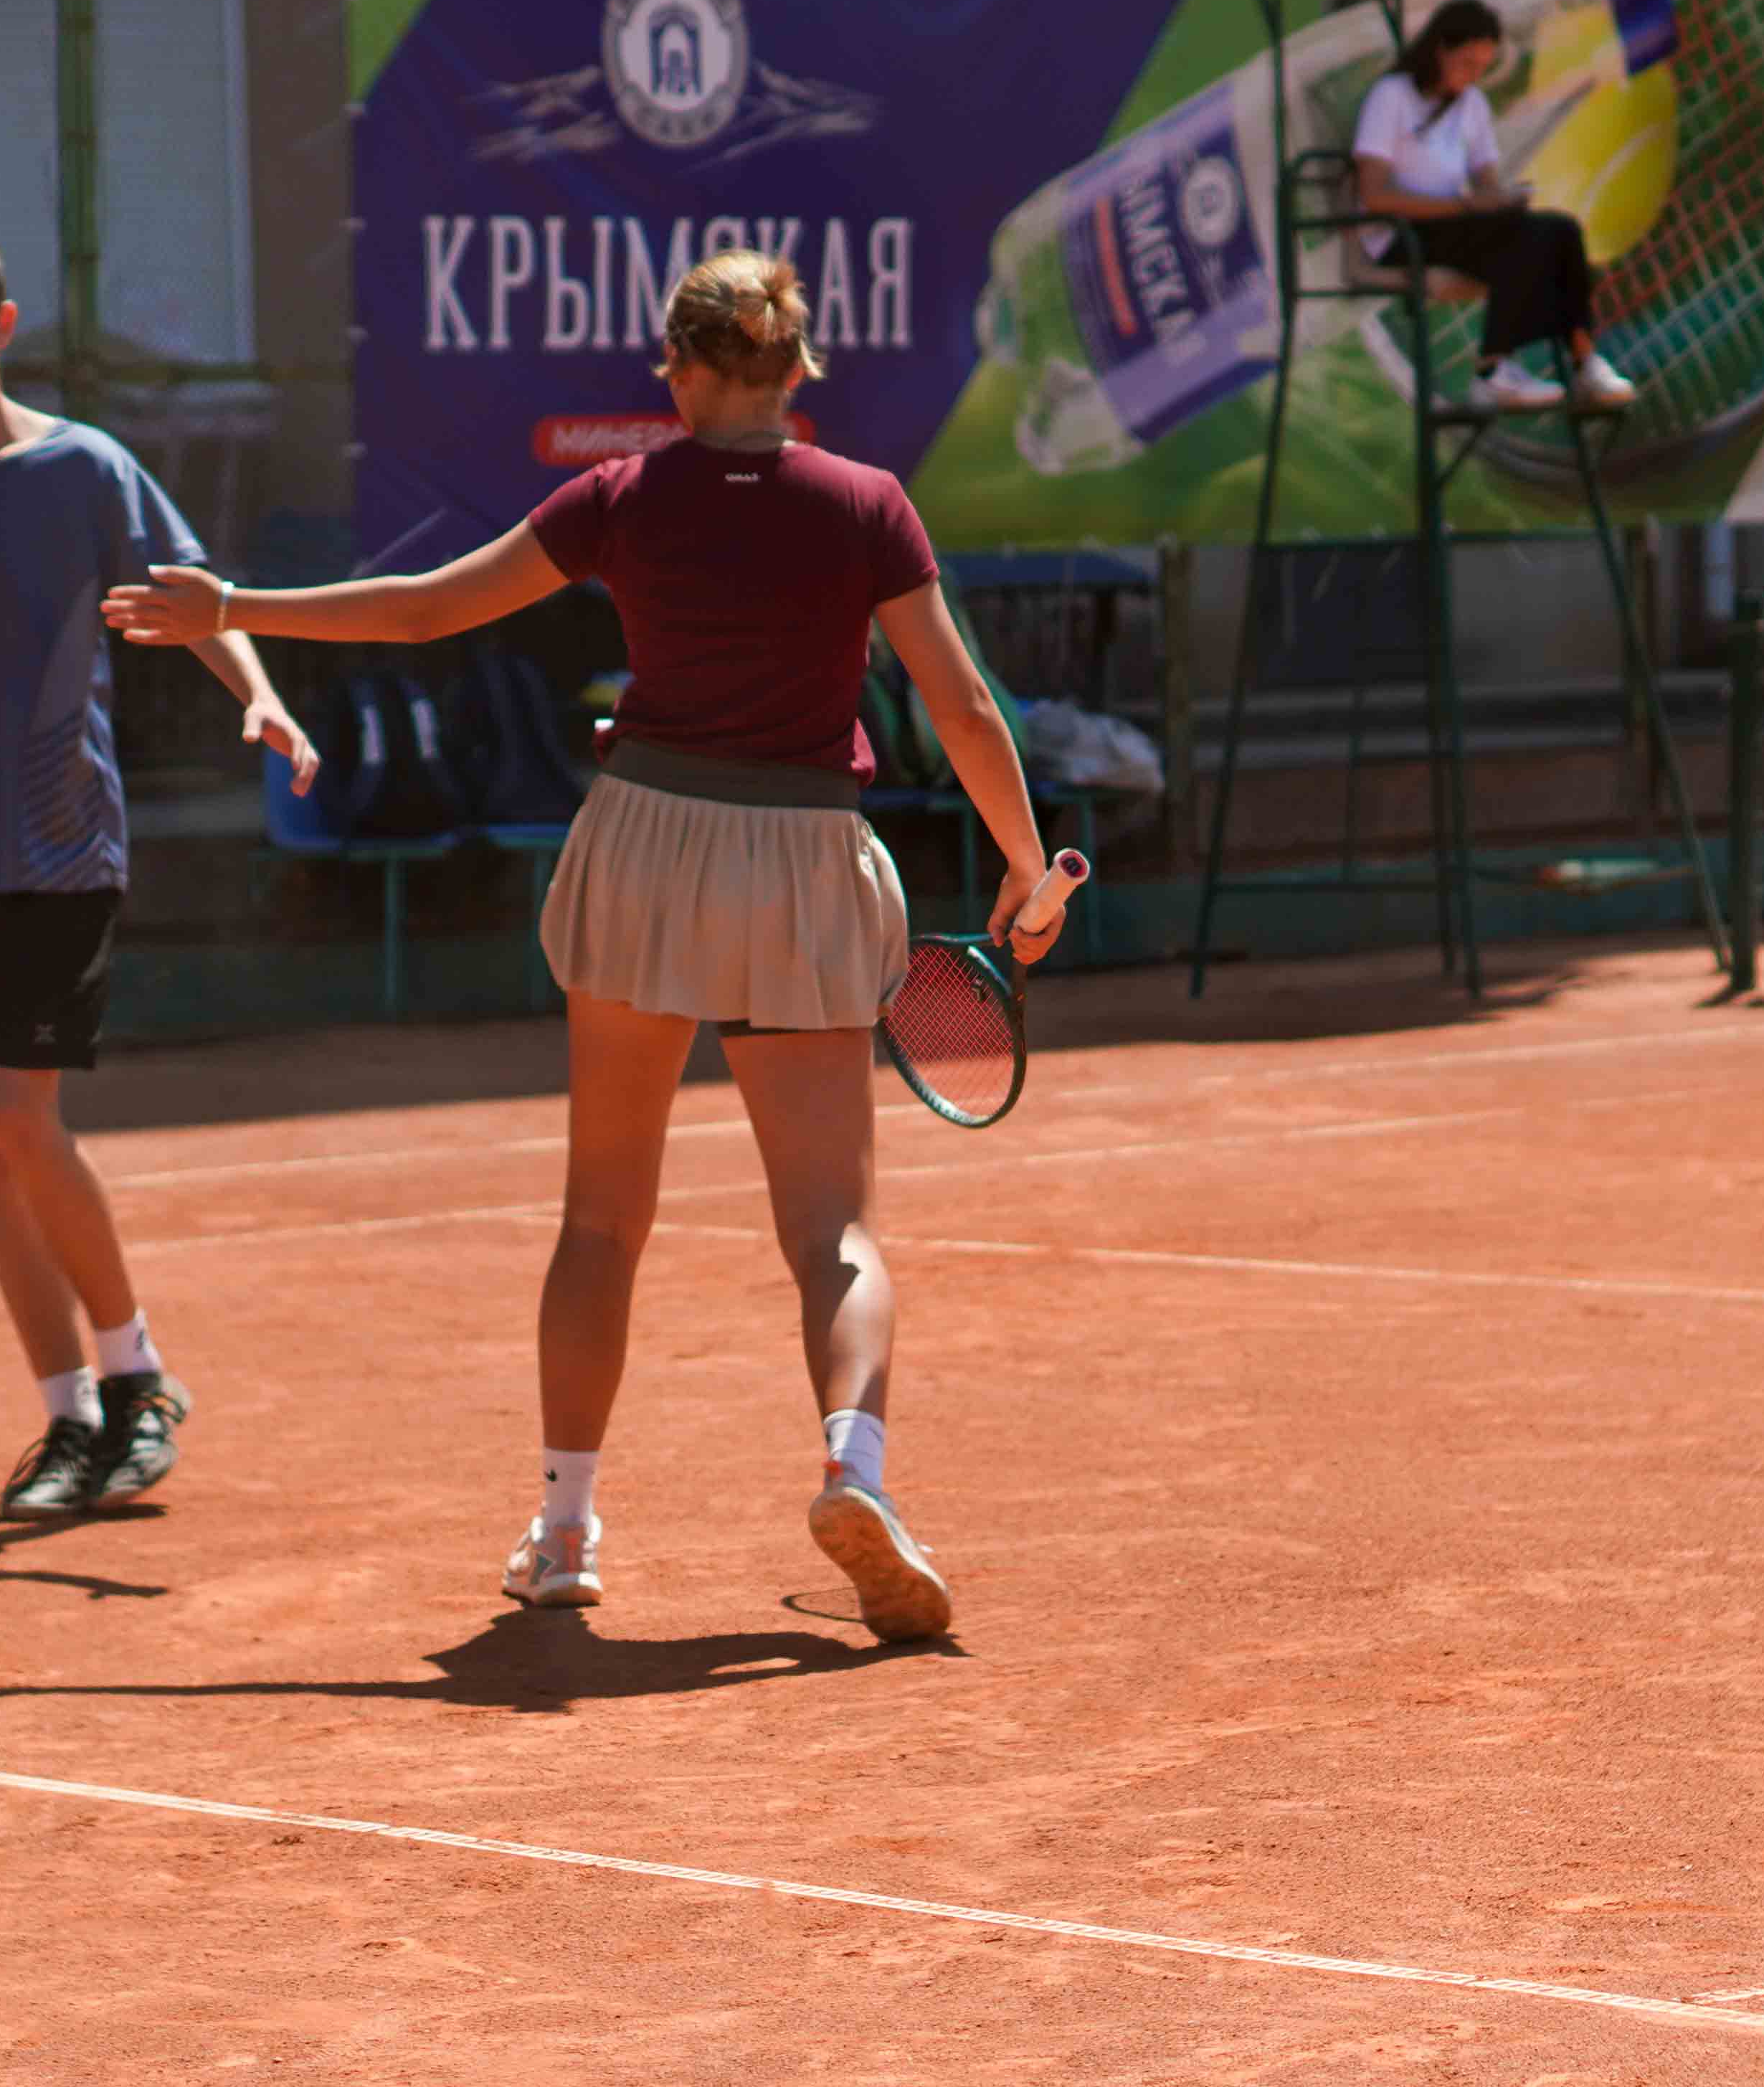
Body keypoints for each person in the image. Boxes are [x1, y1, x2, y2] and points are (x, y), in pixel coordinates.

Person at [106, 250, 1066, 1643]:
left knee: (601, 1220)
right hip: (803, 860)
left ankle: (564, 1530)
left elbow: (425, 606)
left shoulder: (622, 496)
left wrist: (232, 609)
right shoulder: (868, 504)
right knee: (834, 1231)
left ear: (676, 372)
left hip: (646, 853)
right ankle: (853, 1469)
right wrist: (1027, 868)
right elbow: (966, 711)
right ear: (795, 369)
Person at [0, 221, 319, 1519]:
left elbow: (192, 595)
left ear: (2, 326)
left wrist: (261, 697)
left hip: (59, 843)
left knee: (17, 1119)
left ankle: (138, 1377)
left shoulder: (85, 469)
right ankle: (67, 1418)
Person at [1350, 0, 1639, 420]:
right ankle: (1493, 372)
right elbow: (1373, 195)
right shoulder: (1391, 96)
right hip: (1402, 234)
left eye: (1482, 68)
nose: (1473, 76)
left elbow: (1486, 185)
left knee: (1560, 231)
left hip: (1458, 227)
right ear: (1440, 50)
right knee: (1522, 243)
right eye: (1466, 64)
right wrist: (1464, 204)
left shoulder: (1472, 105)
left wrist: (1503, 199)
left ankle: (1582, 362)